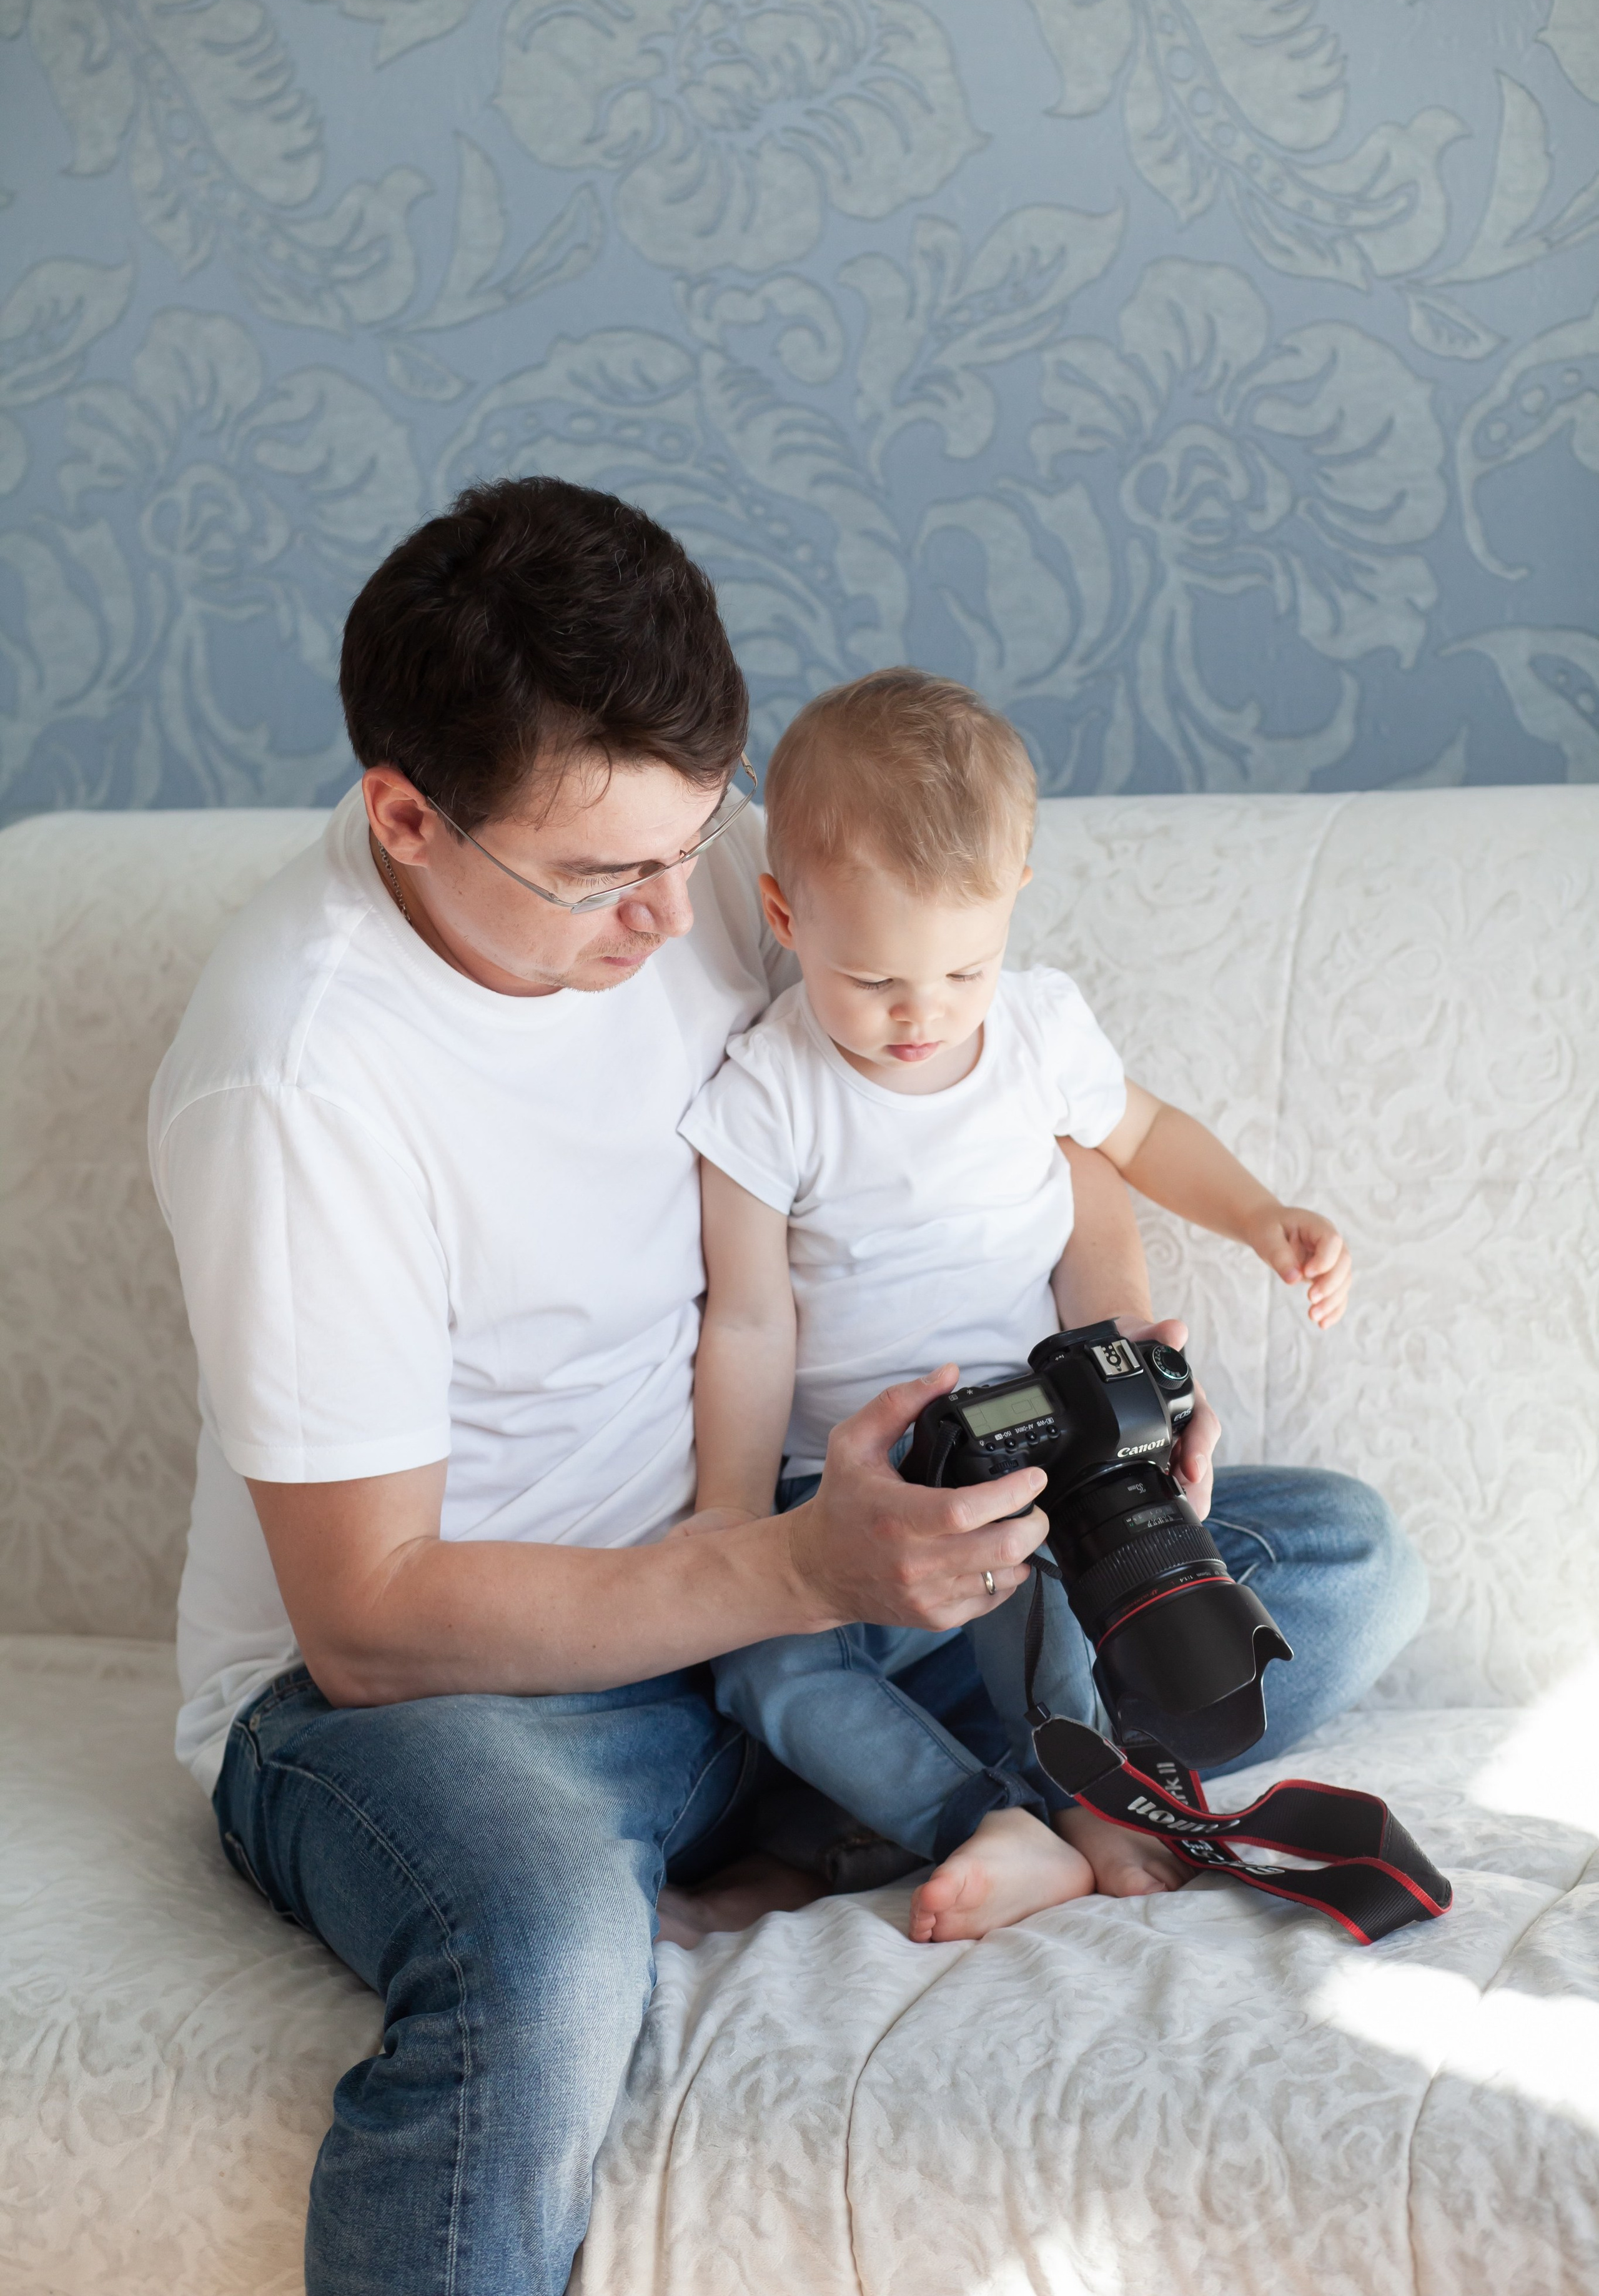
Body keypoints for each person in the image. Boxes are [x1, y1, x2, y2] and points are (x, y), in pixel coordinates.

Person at [149, 478, 1197, 2296]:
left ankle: (808, 1798)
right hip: (443, 1703)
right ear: (406, 818)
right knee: (546, 1945)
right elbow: (370, 1628)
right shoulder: (299, 1076)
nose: (673, 917)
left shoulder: (710, 873)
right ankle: (807, 1801)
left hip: (752, 1594)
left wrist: (1130, 1369)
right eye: (599, 877)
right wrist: (803, 1579)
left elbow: (1023, 1112)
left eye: (695, 841)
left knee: (1292, 1563)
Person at [683, 670, 1427, 1943]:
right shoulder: (766, 1094)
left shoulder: (1036, 1034)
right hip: (847, 1503)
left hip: (1039, 1467)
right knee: (759, 1667)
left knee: (1256, 1576)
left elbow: (1140, 1135)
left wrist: (1256, 1215)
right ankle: (992, 1818)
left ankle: (1014, 1807)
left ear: (1012, 909)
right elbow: (745, 1326)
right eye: (870, 983)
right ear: (782, 914)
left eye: (962, 969)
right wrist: (729, 1524)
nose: (920, 1017)